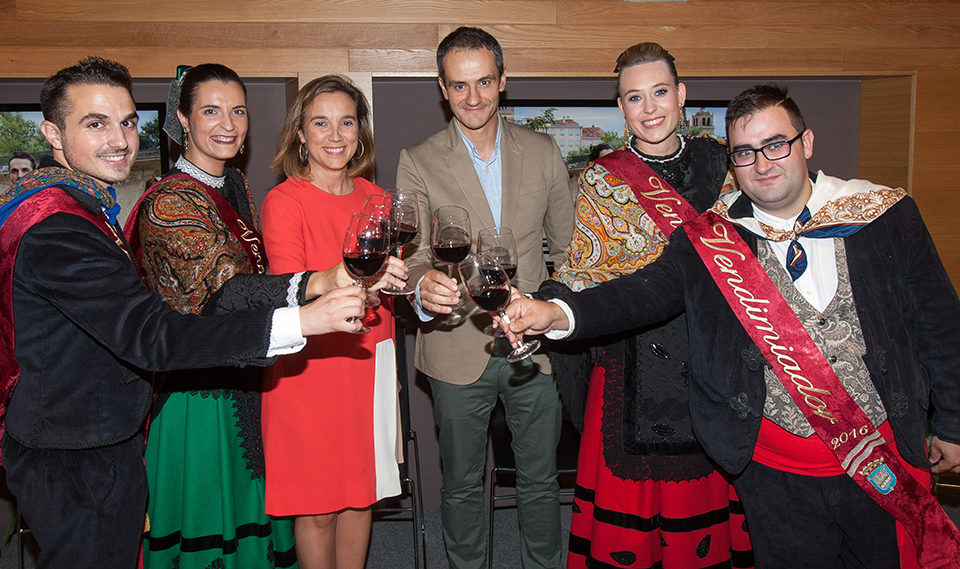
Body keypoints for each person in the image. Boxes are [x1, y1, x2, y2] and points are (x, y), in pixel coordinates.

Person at [503, 84, 960, 569]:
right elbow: (642, 294)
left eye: (775, 145)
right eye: (744, 152)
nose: (762, 164)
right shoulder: (711, 237)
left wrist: (953, 423)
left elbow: (940, 323)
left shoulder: (883, 214)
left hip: (880, 457)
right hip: (774, 472)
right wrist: (555, 313)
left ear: (806, 143)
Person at [0, 57, 366, 569]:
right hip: (168, 400)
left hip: (209, 380)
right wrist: (311, 298)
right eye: (96, 123)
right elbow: (208, 303)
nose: (120, 139)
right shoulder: (135, 207)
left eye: (128, 122)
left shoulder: (224, 186)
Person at [552, 42, 752, 569]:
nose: (650, 108)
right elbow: (583, 268)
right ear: (621, 107)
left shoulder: (724, 165)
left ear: (681, 94)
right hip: (630, 359)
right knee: (630, 521)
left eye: (660, 92)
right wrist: (548, 303)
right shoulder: (603, 177)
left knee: (703, 514)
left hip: (710, 352)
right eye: (635, 97)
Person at [123, 64, 325, 568]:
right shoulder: (169, 202)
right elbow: (227, 291)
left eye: (238, 111)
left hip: (244, 371)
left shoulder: (232, 182)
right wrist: (315, 284)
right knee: (211, 527)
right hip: (197, 392)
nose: (228, 125)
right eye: (211, 111)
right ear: (182, 120)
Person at [396, 26, 575, 569]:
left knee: (541, 481)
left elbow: (570, 252)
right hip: (454, 345)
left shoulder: (543, 152)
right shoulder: (418, 160)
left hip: (534, 346)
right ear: (442, 89)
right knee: (461, 485)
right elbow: (414, 257)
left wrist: (554, 311)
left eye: (483, 82)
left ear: (502, 81)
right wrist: (422, 288)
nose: (472, 97)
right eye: (459, 85)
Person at [260, 74, 405, 569]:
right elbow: (290, 290)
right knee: (318, 507)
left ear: (360, 131)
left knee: (362, 497)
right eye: (320, 123)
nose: (335, 135)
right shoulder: (285, 201)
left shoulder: (379, 199)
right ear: (300, 133)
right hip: (310, 368)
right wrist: (367, 287)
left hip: (369, 360)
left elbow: (387, 291)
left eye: (346, 122)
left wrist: (397, 285)